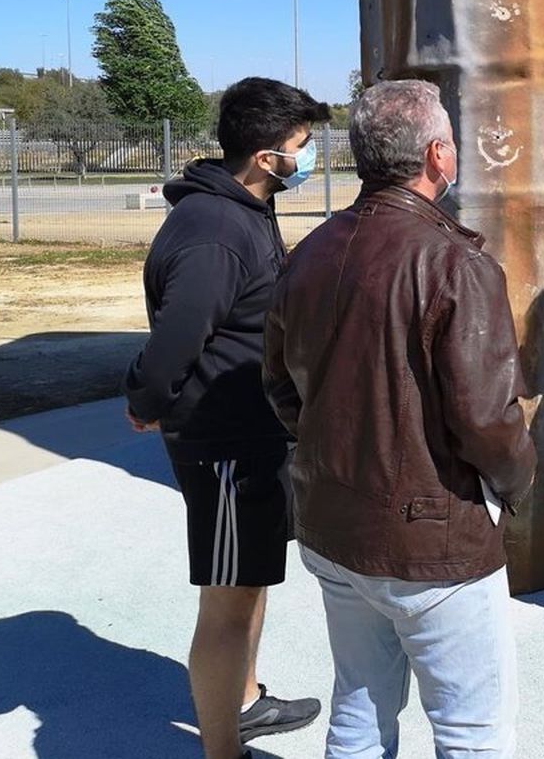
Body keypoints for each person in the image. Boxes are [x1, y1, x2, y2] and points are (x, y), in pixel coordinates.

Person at [263, 80, 537, 758]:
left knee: (359, 703)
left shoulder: (311, 252)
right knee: (472, 730)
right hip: (431, 540)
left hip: (333, 524)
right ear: (439, 154)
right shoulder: (454, 261)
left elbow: (280, 386)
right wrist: (517, 485)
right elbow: (487, 419)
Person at [123, 77, 329, 759]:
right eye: (303, 146)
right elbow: (177, 338)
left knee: (251, 580)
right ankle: (224, 750)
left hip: (254, 432)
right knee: (227, 603)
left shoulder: (244, 210)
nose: (311, 156)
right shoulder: (216, 230)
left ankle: (244, 702)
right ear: (267, 157)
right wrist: (147, 402)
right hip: (228, 443)